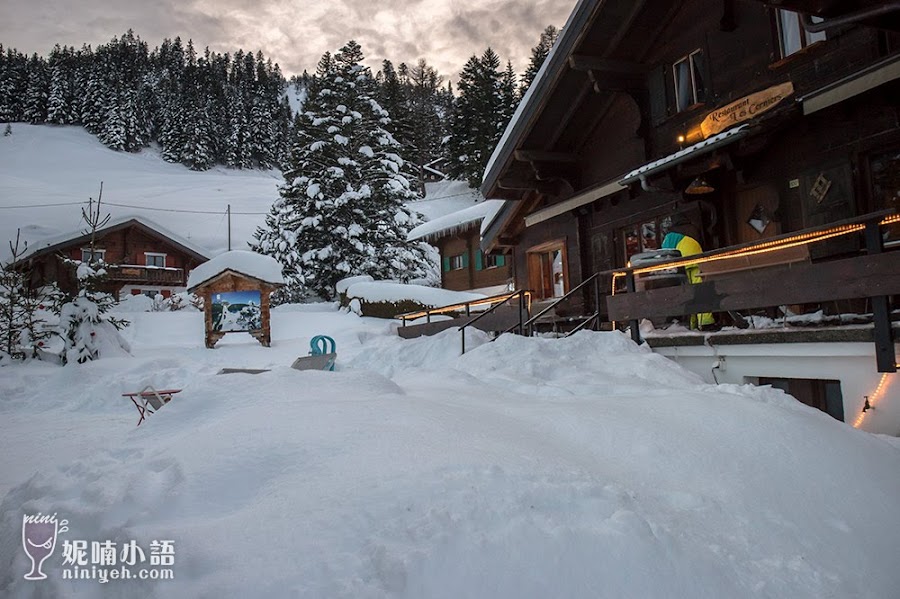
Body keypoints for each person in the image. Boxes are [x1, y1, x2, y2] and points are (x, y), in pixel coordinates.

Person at [661, 214, 715, 330]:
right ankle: (705, 321)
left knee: (690, 293)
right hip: (698, 258)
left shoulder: (671, 234)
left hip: (684, 261)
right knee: (700, 289)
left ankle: (694, 324)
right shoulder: (693, 228)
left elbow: (665, 251)